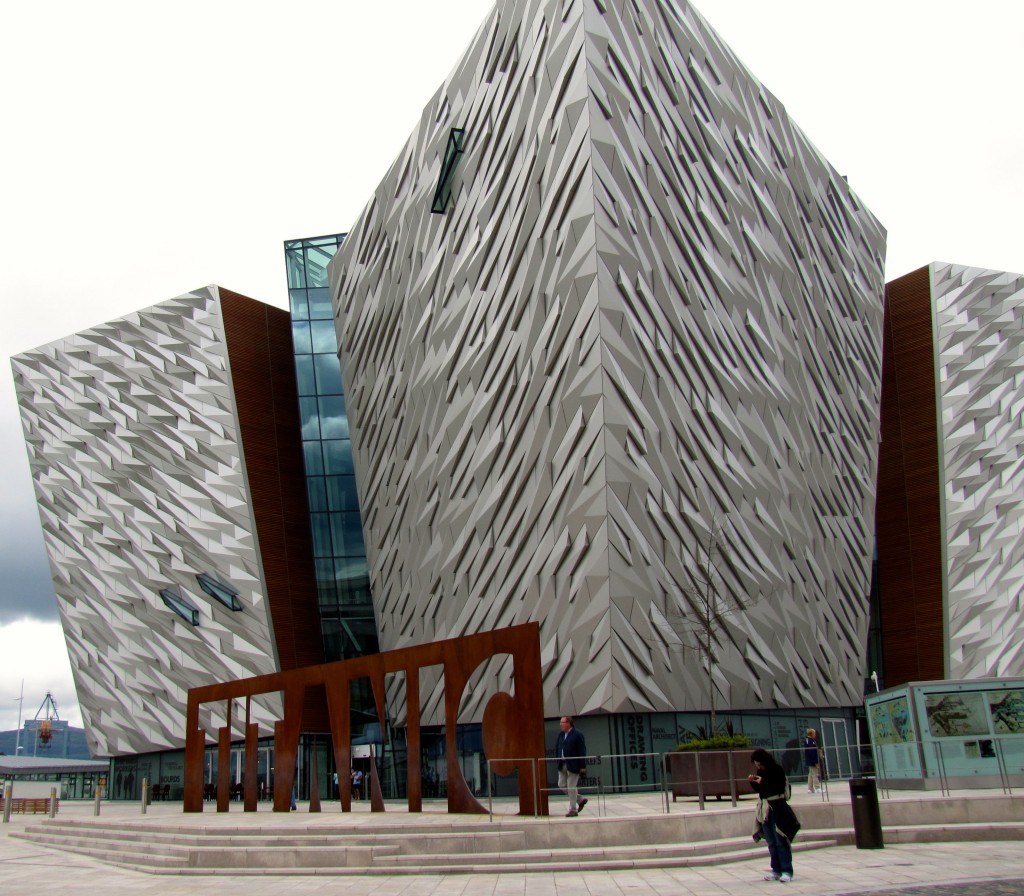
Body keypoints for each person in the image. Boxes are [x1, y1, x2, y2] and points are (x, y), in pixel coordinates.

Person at [748, 748, 800, 882]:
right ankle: (776, 870)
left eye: (758, 763)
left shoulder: (776, 769)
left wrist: (762, 782)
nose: (757, 766)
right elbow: (761, 791)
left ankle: (787, 870)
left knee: (781, 840)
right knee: (771, 842)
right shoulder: (761, 772)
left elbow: (777, 788)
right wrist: (753, 782)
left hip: (777, 807)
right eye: (756, 764)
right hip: (765, 809)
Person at [554, 715, 588, 817]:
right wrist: (558, 759)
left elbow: (582, 750)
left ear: (569, 723)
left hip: (573, 765)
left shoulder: (577, 734)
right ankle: (580, 799)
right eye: (560, 722)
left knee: (571, 787)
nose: (560, 724)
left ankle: (573, 810)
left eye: (562, 722)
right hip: (562, 764)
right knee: (561, 784)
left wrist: (582, 766)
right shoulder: (561, 734)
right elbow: (557, 747)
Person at [804, 728, 821, 793]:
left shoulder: (809, 740)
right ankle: (817, 788)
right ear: (812, 734)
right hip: (812, 760)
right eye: (814, 734)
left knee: (811, 774)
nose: (815, 735)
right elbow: (812, 752)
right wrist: (815, 761)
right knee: (815, 774)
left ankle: (810, 789)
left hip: (810, 760)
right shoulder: (810, 741)